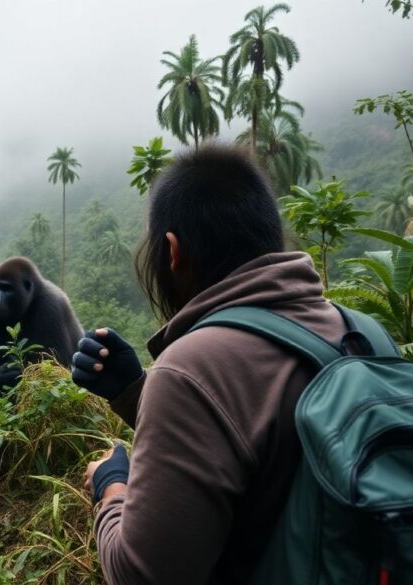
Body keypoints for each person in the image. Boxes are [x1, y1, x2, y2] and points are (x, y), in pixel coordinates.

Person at [72, 145, 349, 585]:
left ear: (172, 250)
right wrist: (136, 391)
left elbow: (139, 575)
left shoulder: (192, 366)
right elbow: (276, 449)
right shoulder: (360, 332)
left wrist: (112, 485)